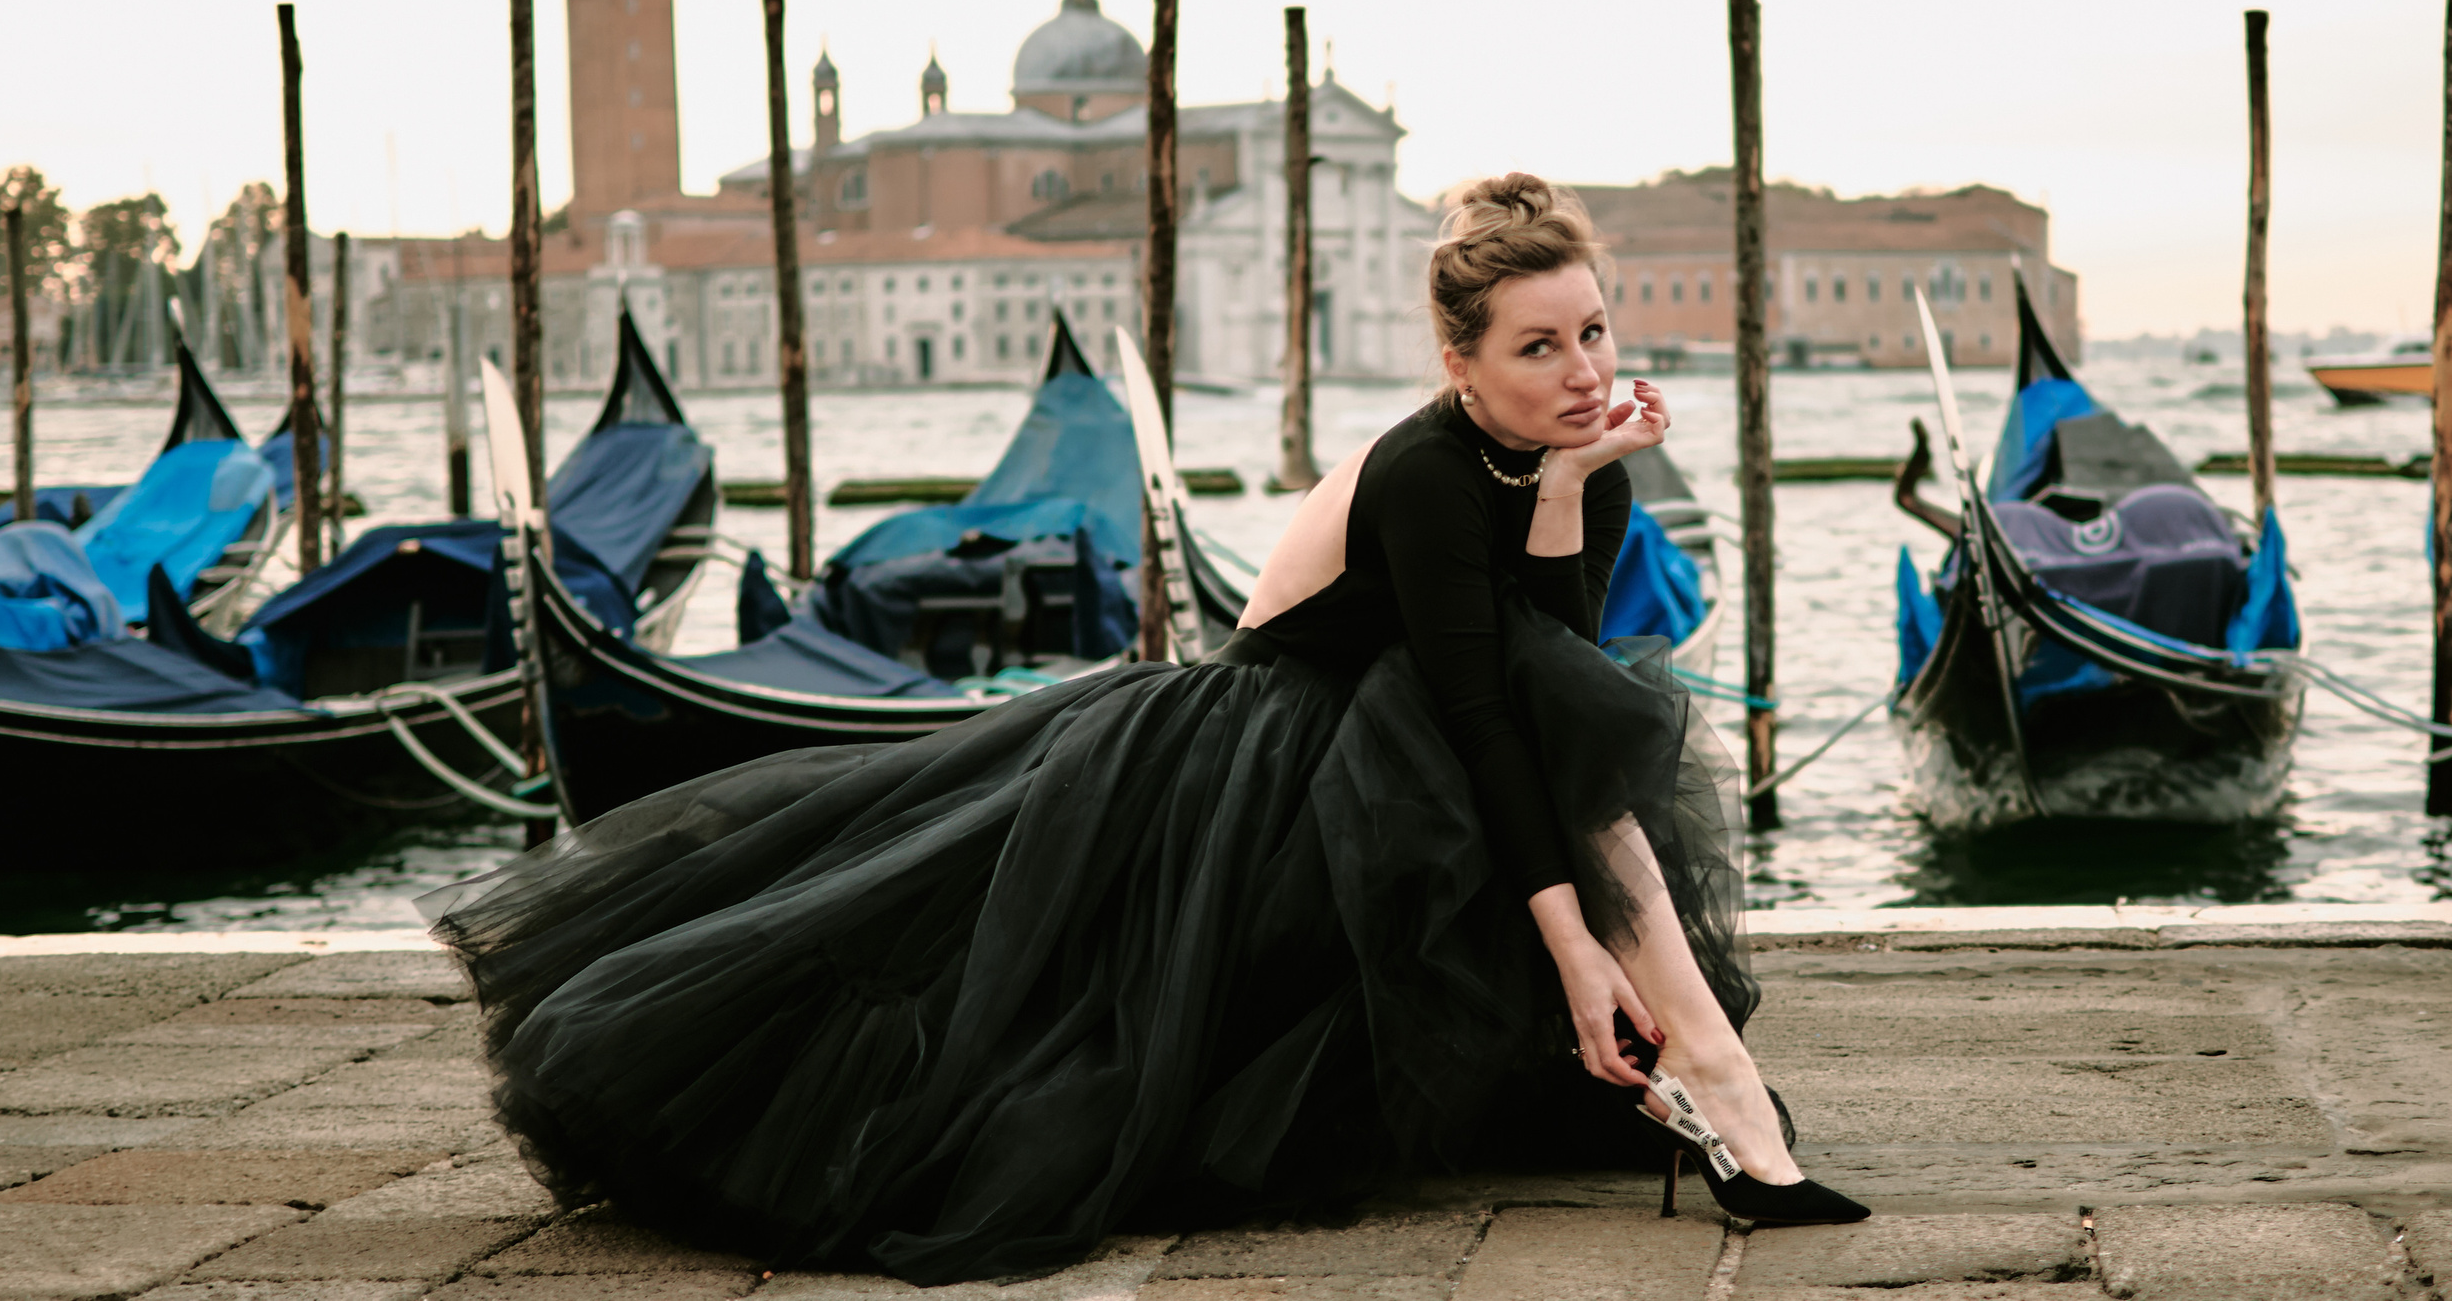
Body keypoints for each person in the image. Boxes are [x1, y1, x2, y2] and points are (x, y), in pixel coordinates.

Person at [421, 173, 1865, 1287]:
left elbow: (1557, 655)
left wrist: (1574, 481)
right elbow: (1493, 713)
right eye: (1537, 345)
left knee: (1566, 723)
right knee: (1059, 1042)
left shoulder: (1587, 453)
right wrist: (1568, 957)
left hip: (1421, 732)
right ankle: (1717, 1084)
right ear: (1457, 360)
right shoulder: (1424, 471)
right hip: (1262, 735)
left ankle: (1707, 1076)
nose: (1578, 368)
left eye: (1594, 332)